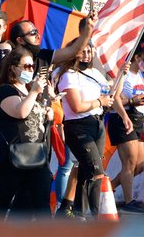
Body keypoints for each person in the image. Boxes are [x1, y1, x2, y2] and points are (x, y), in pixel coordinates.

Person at [0, 44, 53, 217]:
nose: (31, 70)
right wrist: (34, 92)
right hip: (11, 154)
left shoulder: (31, 89)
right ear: (13, 68)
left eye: (32, 66)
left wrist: (47, 112)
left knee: (38, 202)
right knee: (3, 199)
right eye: (26, 66)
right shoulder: (6, 90)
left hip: (36, 154)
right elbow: (20, 112)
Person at [57, 43, 113, 219]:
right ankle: (97, 215)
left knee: (85, 171)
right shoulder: (68, 75)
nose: (87, 55)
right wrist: (100, 102)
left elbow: (110, 96)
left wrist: (122, 75)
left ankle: (79, 213)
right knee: (96, 172)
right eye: (83, 51)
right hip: (78, 125)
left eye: (89, 51)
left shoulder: (95, 73)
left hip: (97, 123)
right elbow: (77, 107)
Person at [109, 44, 144, 212]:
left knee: (140, 165)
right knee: (129, 162)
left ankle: (108, 187)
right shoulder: (124, 74)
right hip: (123, 118)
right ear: (137, 57)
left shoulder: (139, 75)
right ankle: (128, 202)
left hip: (139, 119)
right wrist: (132, 101)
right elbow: (114, 98)